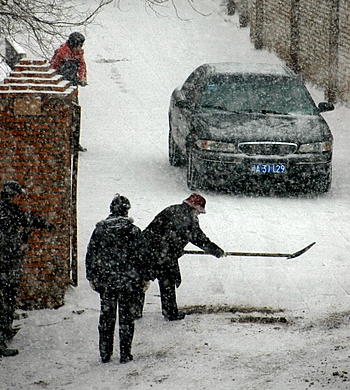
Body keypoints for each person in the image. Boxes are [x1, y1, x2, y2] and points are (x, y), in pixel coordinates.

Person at [138, 194, 225, 321]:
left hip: (148, 252)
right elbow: (199, 239)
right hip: (164, 255)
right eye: (199, 212)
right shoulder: (189, 219)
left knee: (141, 282)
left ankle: (133, 311)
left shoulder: (171, 209)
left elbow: (151, 230)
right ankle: (170, 313)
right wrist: (217, 251)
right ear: (194, 208)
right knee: (167, 283)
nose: (199, 215)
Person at [85, 194, 147, 364]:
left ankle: (105, 353)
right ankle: (125, 354)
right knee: (126, 318)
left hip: (107, 281)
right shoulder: (133, 231)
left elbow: (91, 254)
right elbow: (142, 257)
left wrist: (91, 276)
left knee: (106, 316)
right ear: (127, 211)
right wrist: (144, 278)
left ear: (111, 210)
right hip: (129, 281)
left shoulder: (100, 230)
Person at [0, 180, 54, 357]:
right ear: (11, 196)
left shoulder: (9, 210)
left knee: (8, 298)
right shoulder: (5, 213)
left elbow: (27, 218)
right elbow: (7, 240)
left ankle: (5, 331)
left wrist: (44, 224)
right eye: (17, 196)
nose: (19, 199)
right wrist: (22, 237)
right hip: (5, 264)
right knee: (4, 301)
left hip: (9, 263)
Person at [50, 32, 87, 152]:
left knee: (75, 115)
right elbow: (53, 68)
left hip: (72, 87)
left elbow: (82, 66)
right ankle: (61, 140)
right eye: (79, 45)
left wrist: (82, 78)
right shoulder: (61, 53)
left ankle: (75, 141)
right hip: (61, 88)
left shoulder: (79, 54)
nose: (80, 48)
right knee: (62, 114)